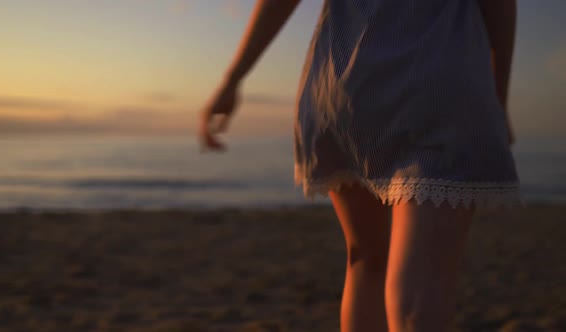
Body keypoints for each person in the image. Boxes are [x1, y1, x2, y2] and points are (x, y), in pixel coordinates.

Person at [199, 0, 522, 331]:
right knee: (422, 278)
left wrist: (233, 78)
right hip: (437, 77)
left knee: (367, 262)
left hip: (342, 87)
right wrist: (499, 95)